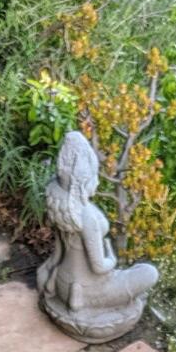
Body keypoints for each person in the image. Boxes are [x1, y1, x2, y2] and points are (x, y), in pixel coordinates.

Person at [36, 130, 157, 341]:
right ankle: (104, 311)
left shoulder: (59, 201)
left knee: (133, 274)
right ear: (86, 179)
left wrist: (47, 274)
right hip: (90, 291)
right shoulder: (87, 215)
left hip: (62, 283)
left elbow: (57, 253)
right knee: (148, 272)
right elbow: (100, 266)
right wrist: (112, 257)